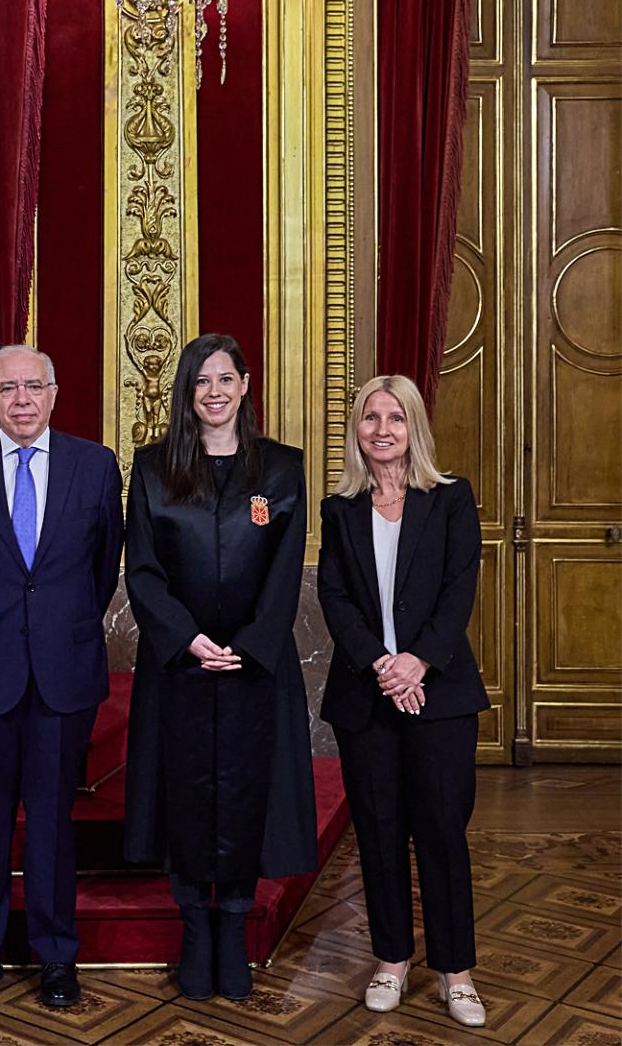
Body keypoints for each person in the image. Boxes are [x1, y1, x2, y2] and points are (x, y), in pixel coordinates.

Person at [122, 333, 317, 1002]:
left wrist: (248, 641)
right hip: (179, 666)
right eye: (199, 380)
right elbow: (143, 572)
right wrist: (188, 639)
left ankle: (231, 926)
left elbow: (284, 567)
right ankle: (193, 930)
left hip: (253, 666)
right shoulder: (151, 469)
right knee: (182, 796)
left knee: (244, 796)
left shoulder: (283, 470)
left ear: (243, 384)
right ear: (186, 391)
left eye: (223, 378)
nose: (212, 391)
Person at [0, 344, 124, 1009]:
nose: (20, 399)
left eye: (32, 386)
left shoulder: (95, 467)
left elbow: (100, 571)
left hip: (63, 672)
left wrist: (54, 627)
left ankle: (54, 957)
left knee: (51, 823)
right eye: (6, 388)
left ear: (53, 392)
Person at [317, 374, 487, 1027]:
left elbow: (456, 590)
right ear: (356, 431)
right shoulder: (340, 510)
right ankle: (390, 960)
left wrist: (416, 662)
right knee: (379, 834)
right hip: (366, 696)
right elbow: (333, 596)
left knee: (441, 833)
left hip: (438, 695)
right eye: (369, 418)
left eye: (393, 417)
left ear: (412, 427)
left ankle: (455, 972)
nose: (381, 429)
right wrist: (382, 665)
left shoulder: (449, 499)